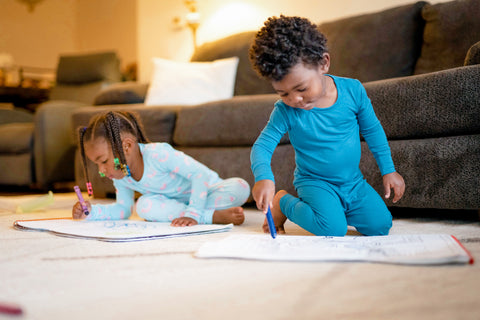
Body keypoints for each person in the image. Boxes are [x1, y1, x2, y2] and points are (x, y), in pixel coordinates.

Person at [249, 15, 405, 236]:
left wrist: (389, 170)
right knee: (333, 228)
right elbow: (262, 147)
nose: (295, 99)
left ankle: (335, 210)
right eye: (283, 93)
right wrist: (263, 177)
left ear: (324, 63)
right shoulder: (285, 110)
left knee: (380, 225)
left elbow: (373, 131)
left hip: (352, 182)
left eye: (301, 88)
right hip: (314, 182)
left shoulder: (353, 90)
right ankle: (283, 202)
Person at [72, 111, 250, 227]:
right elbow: (123, 209)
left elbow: (199, 175)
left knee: (241, 187)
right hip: (181, 206)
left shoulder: (158, 154)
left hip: (208, 191)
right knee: (143, 206)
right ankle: (211, 217)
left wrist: (193, 213)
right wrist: (92, 211)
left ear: (126, 146)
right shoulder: (121, 175)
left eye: (103, 161)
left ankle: (199, 213)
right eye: (97, 164)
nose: (101, 170)